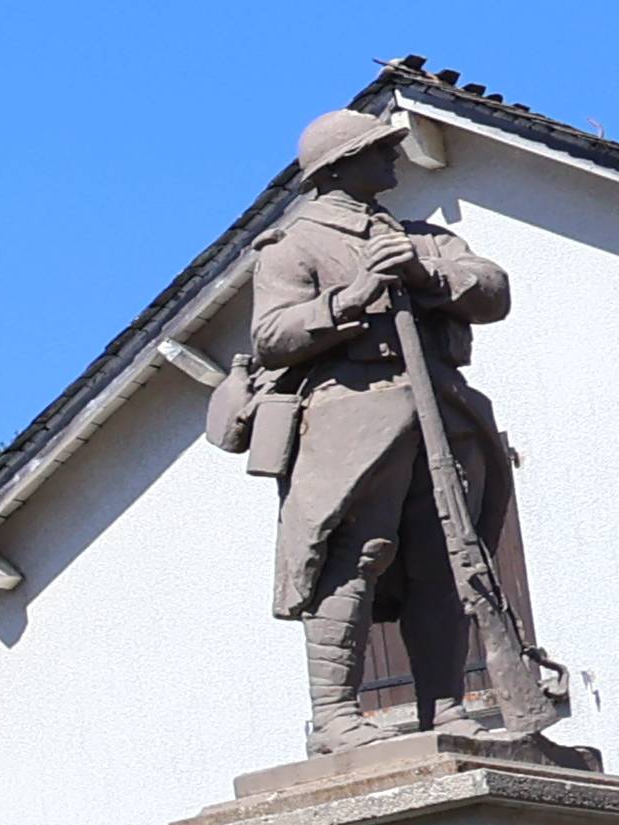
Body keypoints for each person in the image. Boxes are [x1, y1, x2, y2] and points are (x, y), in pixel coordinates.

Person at [224, 106, 548, 753]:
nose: (393, 155)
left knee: (446, 561)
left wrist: (426, 274)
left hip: (440, 410)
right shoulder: (296, 245)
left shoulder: (420, 238)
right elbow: (271, 336)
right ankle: (336, 718)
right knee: (351, 558)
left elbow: (493, 291)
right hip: (351, 419)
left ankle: (446, 706)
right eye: (379, 149)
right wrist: (350, 297)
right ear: (339, 167)